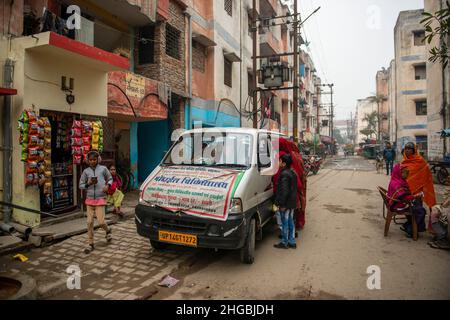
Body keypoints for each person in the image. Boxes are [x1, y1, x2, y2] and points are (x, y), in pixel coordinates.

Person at [79, 150, 113, 254]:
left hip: (101, 199)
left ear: (98, 159)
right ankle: (91, 244)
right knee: (89, 222)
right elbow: (80, 185)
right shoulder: (86, 172)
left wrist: (108, 185)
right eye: (90, 160)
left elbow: (110, 178)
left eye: (94, 159)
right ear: (88, 161)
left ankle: (107, 230)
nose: (93, 161)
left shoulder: (103, 169)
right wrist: (88, 184)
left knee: (101, 221)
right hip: (89, 200)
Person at [401, 142, 437, 231]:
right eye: (406, 149)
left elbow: (426, 173)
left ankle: (415, 227)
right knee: (412, 209)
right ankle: (415, 226)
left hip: (417, 191)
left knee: (417, 208)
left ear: (414, 151)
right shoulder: (403, 161)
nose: (407, 150)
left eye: (410, 149)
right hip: (405, 191)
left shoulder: (420, 161)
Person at [387, 164, 427, 237]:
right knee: (421, 211)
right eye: (406, 173)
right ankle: (410, 229)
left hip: (397, 203)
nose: (408, 175)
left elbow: (404, 195)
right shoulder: (397, 183)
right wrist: (415, 196)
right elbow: (404, 197)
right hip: (398, 205)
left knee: (417, 205)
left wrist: (414, 196)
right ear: (400, 173)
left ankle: (410, 226)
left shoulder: (396, 180)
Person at [274, 154, 298, 249]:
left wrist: (281, 204)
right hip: (292, 202)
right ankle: (292, 241)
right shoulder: (293, 172)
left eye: (279, 161)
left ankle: (284, 242)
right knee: (291, 221)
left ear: (283, 163)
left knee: (285, 222)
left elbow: (284, 191)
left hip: (286, 204)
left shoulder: (284, 174)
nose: (278, 163)